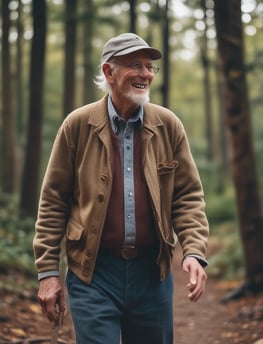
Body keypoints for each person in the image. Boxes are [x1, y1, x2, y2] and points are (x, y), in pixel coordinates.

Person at [33, 32, 209, 344]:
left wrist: (193, 251)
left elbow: (188, 197)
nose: (145, 74)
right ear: (108, 71)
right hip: (93, 273)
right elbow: (53, 201)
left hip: (152, 274)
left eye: (149, 67)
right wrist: (48, 273)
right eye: (134, 65)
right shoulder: (77, 125)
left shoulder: (168, 126)